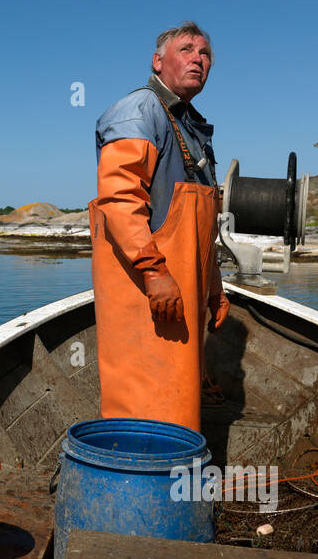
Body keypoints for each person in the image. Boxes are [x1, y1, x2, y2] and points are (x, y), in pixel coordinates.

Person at [89, 21, 229, 430]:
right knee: (142, 400)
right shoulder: (139, 110)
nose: (197, 59)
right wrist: (153, 270)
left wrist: (212, 282)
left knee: (176, 399)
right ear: (158, 61)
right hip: (143, 289)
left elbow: (200, 227)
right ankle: (140, 481)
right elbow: (119, 199)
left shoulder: (191, 126)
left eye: (204, 54)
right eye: (186, 49)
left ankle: (174, 474)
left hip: (180, 286)